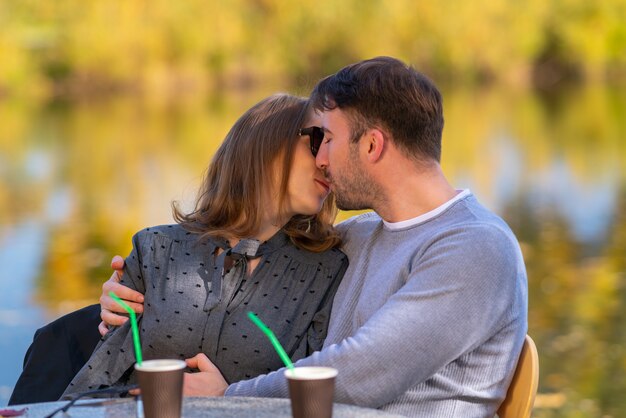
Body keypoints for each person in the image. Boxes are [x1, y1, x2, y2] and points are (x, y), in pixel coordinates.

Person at [102, 57, 528, 417]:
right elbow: (249, 264)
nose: (321, 159)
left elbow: (363, 374)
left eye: (326, 140)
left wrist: (228, 398)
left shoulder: (475, 247)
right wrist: (131, 296)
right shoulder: (360, 236)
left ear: (372, 146)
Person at [12, 93, 349, 402]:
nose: (326, 161)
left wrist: (230, 397)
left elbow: (307, 398)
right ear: (267, 144)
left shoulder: (326, 272)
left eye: (332, 146)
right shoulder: (155, 248)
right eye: (316, 141)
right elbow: (100, 379)